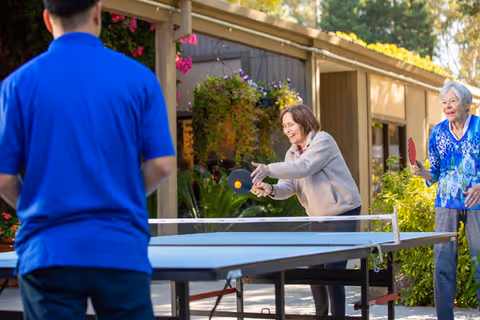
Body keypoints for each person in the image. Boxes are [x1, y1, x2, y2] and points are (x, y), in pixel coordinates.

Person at [0, 0, 176, 319]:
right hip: (119, 249)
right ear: (98, 12)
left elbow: (2, 178)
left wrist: (36, 203)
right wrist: (124, 196)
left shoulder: (16, 85)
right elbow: (162, 164)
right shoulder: (139, 78)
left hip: (48, 252)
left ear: (47, 20)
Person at [250, 104, 362, 317]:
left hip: (343, 213)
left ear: (304, 122)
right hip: (318, 217)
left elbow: (305, 167)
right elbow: (289, 186)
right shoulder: (291, 153)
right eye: (284, 126)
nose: (287, 130)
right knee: (314, 271)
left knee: (333, 272)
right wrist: (271, 188)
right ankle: (321, 316)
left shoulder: (323, 140)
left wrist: (268, 169)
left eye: (290, 124)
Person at [412, 81, 480, 320]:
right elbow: (437, 172)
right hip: (445, 203)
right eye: (444, 102)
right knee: (443, 264)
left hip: (477, 204)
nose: (448, 106)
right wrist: (424, 173)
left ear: (467, 104)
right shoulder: (438, 132)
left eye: (453, 101)